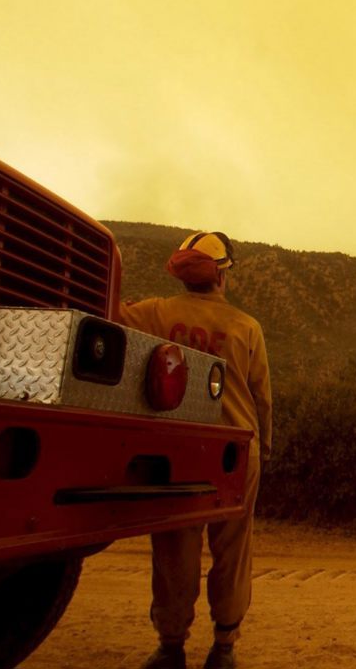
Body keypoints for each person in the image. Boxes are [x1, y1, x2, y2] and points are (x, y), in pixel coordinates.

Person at [120, 231, 272, 669]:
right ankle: (224, 648)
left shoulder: (154, 313)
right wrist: (268, 445)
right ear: (222, 275)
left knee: (173, 550)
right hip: (236, 452)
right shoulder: (246, 327)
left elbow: (109, 312)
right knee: (233, 550)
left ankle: (170, 646)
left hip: (177, 451)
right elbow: (262, 398)